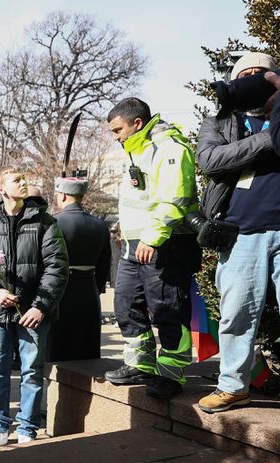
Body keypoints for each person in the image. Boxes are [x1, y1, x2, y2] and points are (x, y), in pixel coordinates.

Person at [194, 52, 280, 441]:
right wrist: (271, 138)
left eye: (262, 73)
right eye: (246, 74)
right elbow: (210, 160)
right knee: (236, 314)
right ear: (235, 82)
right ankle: (233, 386)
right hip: (241, 232)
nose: (255, 78)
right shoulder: (221, 120)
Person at [103, 97, 201, 399]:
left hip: (163, 242)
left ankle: (171, 373)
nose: (116, 137)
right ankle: (140, 365)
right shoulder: (135, 150)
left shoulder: (169, 147)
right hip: (135, 243)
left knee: (167, 308)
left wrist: (152, 237)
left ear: (137, 123)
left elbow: (175, 198)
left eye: (118, 130)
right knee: (126, 304)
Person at [0, 166, 68, 449]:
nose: (24, 183)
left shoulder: (45, 222)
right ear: (2, 189)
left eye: (25, 179)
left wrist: (41, 306)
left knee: (31, 370)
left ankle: (28, 426)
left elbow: (57, 267)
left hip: (34, 314)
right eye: (17, 180)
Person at [46, 177, 111, 361]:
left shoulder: (52, 222)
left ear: (64, 196)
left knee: (58, 349)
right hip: (88, 291)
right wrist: (95, 287)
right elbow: (105, 265)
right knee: (86, 348)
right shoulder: (99, 225)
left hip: (59, 291)